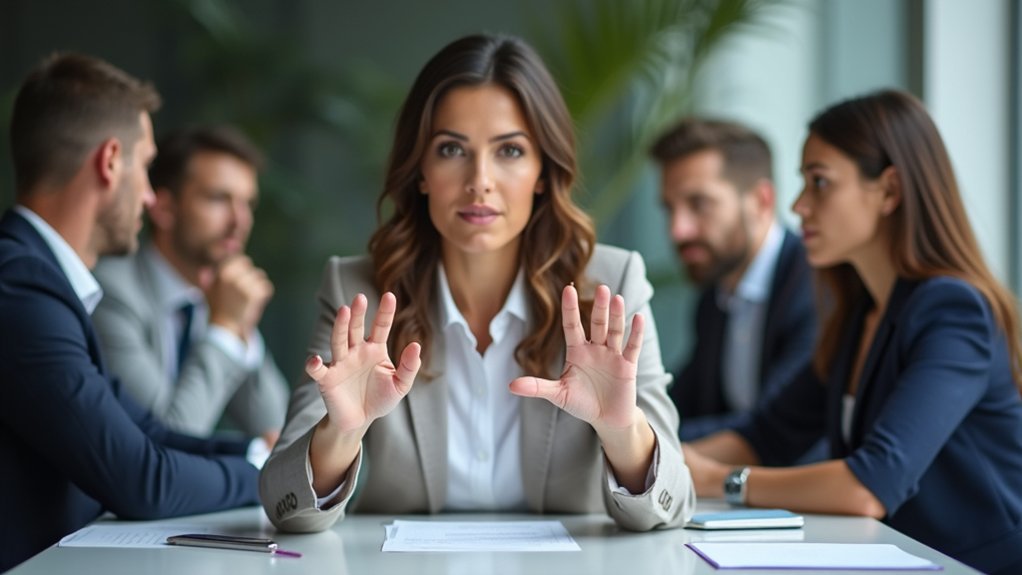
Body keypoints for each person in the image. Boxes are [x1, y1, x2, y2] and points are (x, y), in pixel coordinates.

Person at [259, 34, 694, 532]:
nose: (479, 180)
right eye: (451, 149)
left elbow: (675, 503)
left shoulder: (611, 285)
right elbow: (282, 505)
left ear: (542, 171)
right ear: (421, 171)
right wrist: (340, 433)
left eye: (510, 150)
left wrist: (622, 432)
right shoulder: (358, 291)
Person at [682, 90, 1022, 575]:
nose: (799, 206)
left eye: (819, 182)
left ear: (889, 191)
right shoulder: (860, 313)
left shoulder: (953, 309)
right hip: (897, 559)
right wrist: (660, 460)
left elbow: (870, 485)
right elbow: (766, 434)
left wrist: (719, 480)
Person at [0, 53, 259, 571]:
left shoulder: (41, 282)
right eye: (145, 167)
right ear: (111, 161)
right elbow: (142, 479)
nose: (147, 196)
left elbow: (147, 433)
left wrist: (259, 452)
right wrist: (269, 476)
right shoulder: (21, 288)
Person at [92, 126, 288, 441]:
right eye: (219, 199)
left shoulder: (221, 298)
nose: (240, 221)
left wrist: (241, 329)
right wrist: (225, 328)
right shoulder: (110, 292)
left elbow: (277, 430)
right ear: (164, 208)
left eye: (248, 204)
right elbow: (167, 440)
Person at [650, 118, 816, 441]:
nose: (677, 230)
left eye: (699, 204)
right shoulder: (714, 297)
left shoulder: (814, 287)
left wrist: (637, 439)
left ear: (761, 201)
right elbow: (682, 404)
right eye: (670, 209)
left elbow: (775, 428)